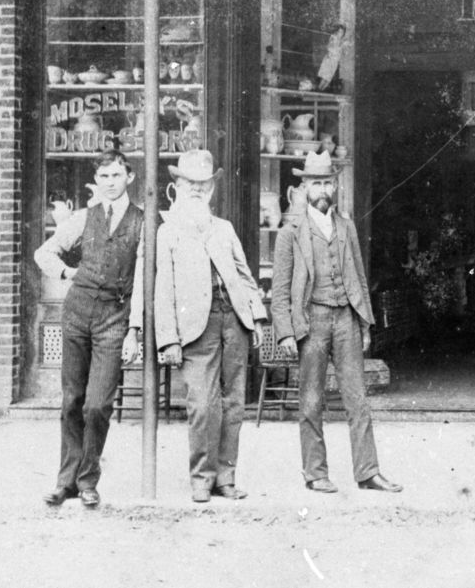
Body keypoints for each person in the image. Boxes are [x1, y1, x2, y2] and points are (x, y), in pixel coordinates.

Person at [130, 150, 268, 503]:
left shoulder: (224, 228)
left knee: (234, 403)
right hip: (195, 329)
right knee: (203, 406)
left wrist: (257, 317)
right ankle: (201, 477)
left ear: (211, 189)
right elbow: (162, 290)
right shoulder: (167, 232)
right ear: (176, 186)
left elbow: (244, 274)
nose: (197, 190)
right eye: (190, 183)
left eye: (203, 184)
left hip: (233, 323)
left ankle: (226, 477)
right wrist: (168, 340)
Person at [271, 151, 402, 494]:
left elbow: (358, 277)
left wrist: (364, 324)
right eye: (316, 183)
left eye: (328, 182)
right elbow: (280, 288)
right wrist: (285, 331)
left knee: (358, 399)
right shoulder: (290, 232)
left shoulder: (346, 226)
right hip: (311, 320)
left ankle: (368, 472)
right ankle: (315, 473)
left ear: (335, 184)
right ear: (304, 187)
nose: (323, 189)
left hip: (345, 317)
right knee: (311, 400)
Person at [34, 150, 144, 508]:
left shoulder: (144, 222)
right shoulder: (84, 218)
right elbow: (44, 254)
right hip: (77, 314)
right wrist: (67, 273)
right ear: (96, 180)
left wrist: (134, 330)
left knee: (98, 404)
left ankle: (88, 479)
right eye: (103, 177)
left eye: (116, 175)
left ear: (129, 177)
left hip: (114, 318)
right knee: (71, 401)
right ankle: (66, 481)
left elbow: (143, 280)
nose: (110, 183)